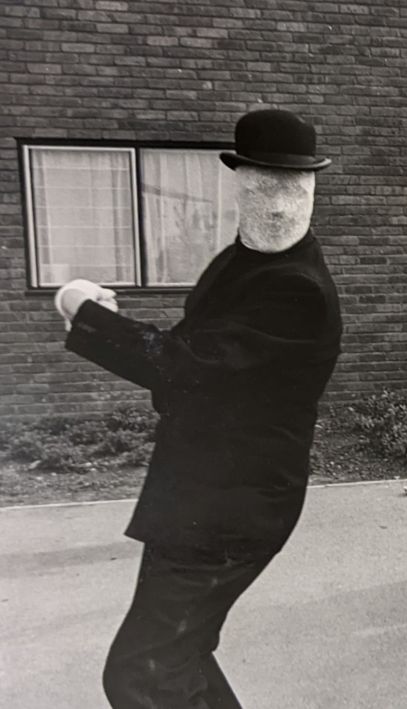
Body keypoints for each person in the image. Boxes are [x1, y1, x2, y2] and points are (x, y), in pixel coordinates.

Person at [55, 109, 343, 707]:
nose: (278, 201)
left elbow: (182, 366)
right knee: (175, 661)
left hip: (231, 514)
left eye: (292, 186)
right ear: (238, 184)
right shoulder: (242, 261)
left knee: (141, 673)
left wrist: (86, 313)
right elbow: (194, 359)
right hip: (200, 500)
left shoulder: (297, 287)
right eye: (262, 184)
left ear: (312, 189)